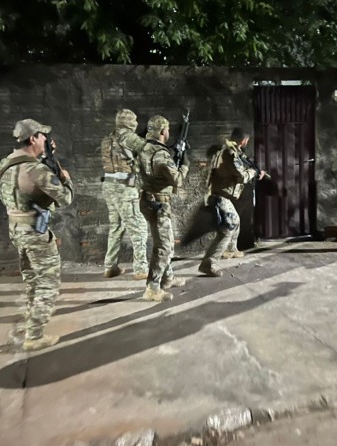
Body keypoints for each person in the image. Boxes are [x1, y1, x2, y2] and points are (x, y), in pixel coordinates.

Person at [0, 118, 74, 351]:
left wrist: (48, 155)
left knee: (31, 279)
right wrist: (66, 177)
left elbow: (25, 185)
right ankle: (35, 334)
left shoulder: (7, 163)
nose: (46, 139)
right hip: (34, 231)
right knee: (48, 282)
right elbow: (65, 199)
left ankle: (31, 319)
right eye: (43, 136)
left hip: (16, 228)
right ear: (33, 139)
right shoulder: (36, 170)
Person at [137, 115, 190, 302]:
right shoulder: (161, 154)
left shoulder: (144, 147)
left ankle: (167, 278)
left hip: (148, 200)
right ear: (162, 131)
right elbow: (177, 180)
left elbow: (155, 170)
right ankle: (152, 288)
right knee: (164, 246)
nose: (168, 133)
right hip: (158, 203)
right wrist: (184, 165)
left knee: (163, 241)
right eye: (167, 130)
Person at [199, 128, 265, 277]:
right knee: (228, 227)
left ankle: (231, 249)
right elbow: (242, 176)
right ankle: (209, 263)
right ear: (244, 140)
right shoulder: (230, 153)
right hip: (219, 196)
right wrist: (254, 172)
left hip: (220, 194)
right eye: (247, 140)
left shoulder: (226, 151)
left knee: (235, 221)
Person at [101, 109, 149, 280]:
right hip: (124, 188)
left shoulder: (108, 138)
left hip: (109, 185)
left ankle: (110, 267)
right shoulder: (128, 137)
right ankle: (141, 269)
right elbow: (148, 149)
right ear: (130, 122)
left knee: (116, 227)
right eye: (134, 121)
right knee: (139, 228)